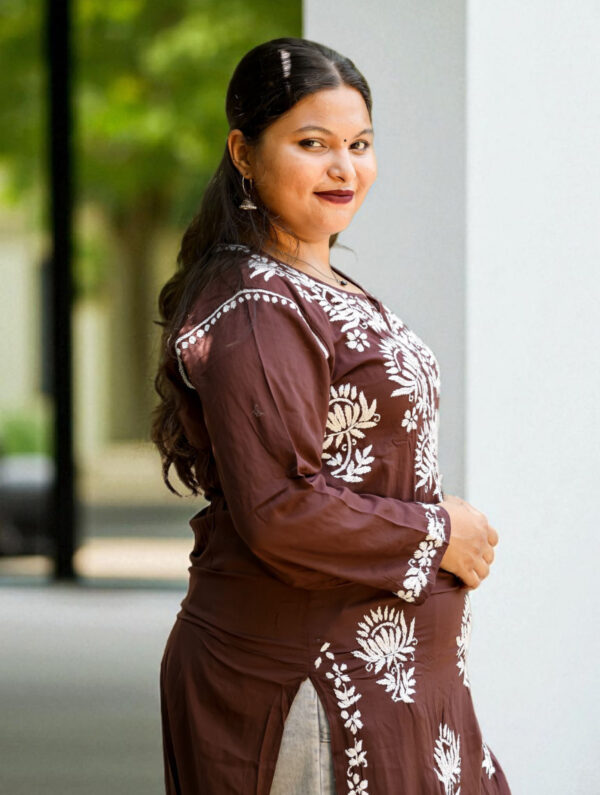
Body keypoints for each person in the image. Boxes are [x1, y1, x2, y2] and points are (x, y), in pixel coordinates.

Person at [151, 37, 512, 795]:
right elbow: (280, 510)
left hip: (394, 684)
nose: (344, 168)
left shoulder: (313, 283)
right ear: (244, 153)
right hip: (305, 685)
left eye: (359, 144)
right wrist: (439, 532)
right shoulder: (256, 304)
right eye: (312, 144)